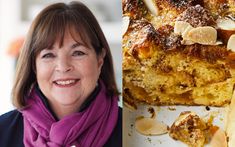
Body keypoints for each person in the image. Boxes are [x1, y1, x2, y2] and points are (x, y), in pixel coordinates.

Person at [0, 1, 122, 147]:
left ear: (100, 59)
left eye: (78, 53)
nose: (63, 67)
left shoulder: (136, 132)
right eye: (49, 55)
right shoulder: (3, 132)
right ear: (33, 65)